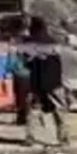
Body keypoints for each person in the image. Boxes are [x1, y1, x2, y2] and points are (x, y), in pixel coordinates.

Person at [24, 16, 69, 146]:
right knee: (59, 110)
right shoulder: (53, 42)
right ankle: (63, 138)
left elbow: (27, 64)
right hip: (54, 82)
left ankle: (30, 137)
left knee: (33, 110)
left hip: (36, 82)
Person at [3, 16, 31, 126]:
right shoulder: (33, 39)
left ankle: (21, 118)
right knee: (28, 96)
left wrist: (7, 72)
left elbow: (11, 57)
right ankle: (28, 117)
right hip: (30, 72)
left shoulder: (14, 41)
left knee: (19, 96)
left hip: (19, 72)